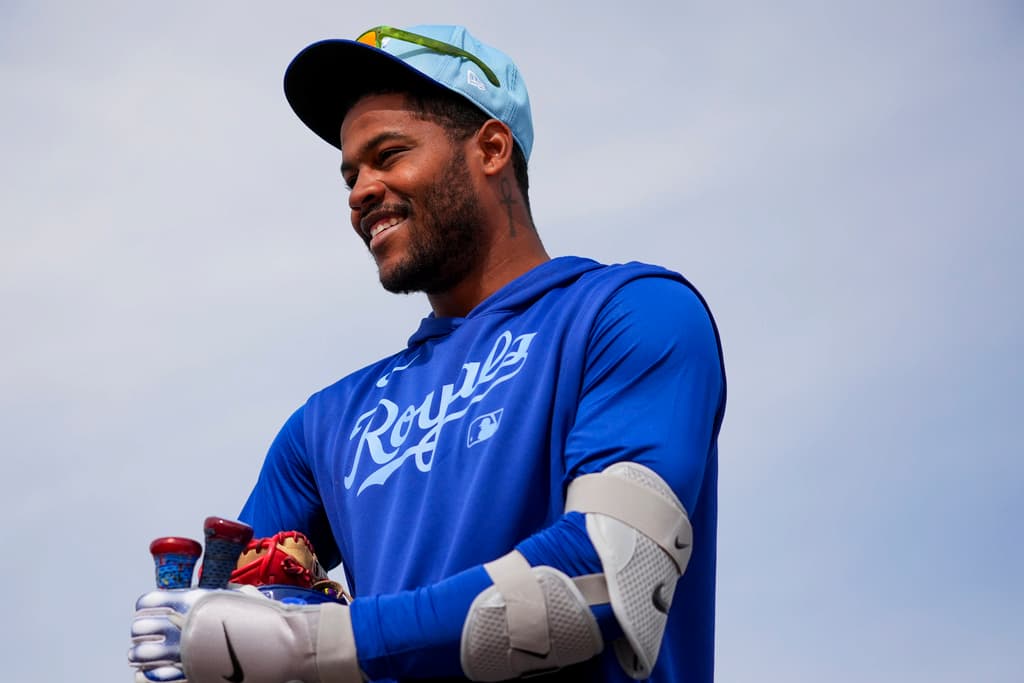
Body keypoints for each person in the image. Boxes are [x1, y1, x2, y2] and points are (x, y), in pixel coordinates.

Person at [129, 23, 726, 683]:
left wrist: (318, 643)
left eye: (389, 154)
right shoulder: (325, 424)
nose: (360, 191)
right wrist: (200, 637)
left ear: (492, 147)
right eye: (351, 173)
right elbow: (245, 632)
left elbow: (609, 573)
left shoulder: (630, 311)